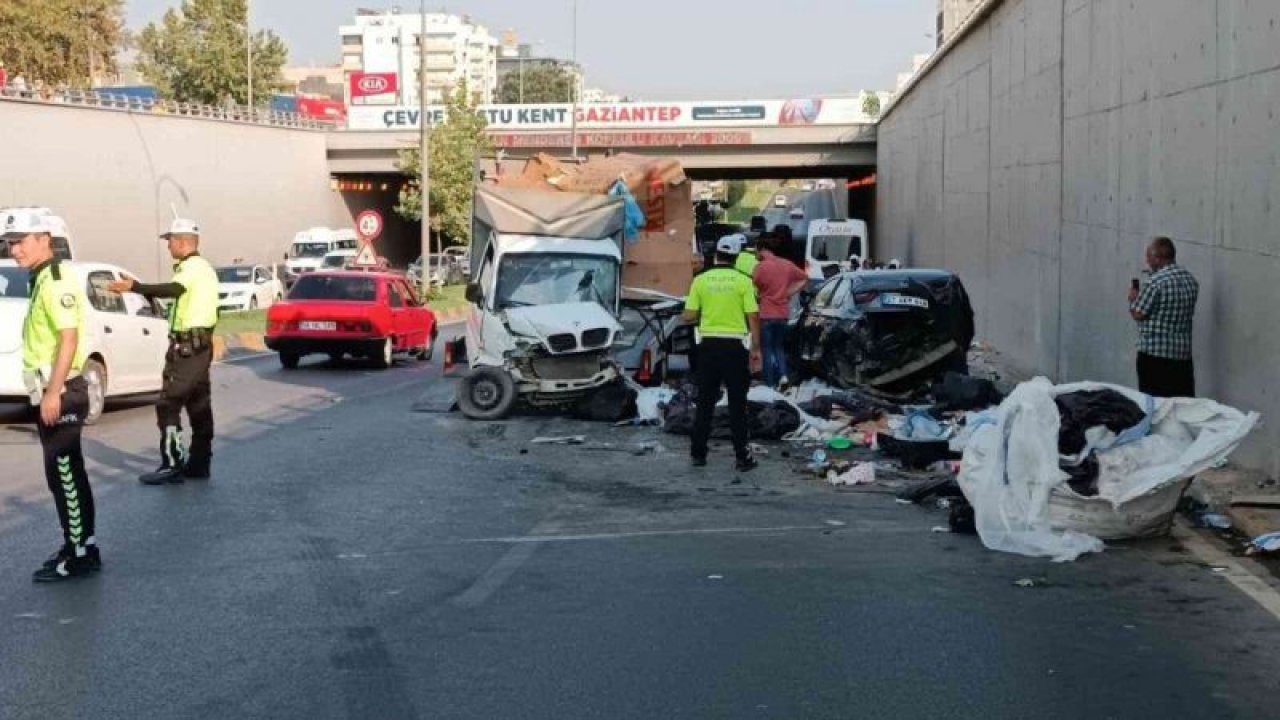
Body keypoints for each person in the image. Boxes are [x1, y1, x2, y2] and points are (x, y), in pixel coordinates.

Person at [3, 210, 101, 582]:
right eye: (11, 243)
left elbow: (68, 339)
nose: (14, 250)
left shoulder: (56, 279)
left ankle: (80, 554)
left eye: (22, 241)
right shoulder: (41, 277)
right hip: (49, 389)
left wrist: (53, 392)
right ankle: (79, 543)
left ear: (44, 239)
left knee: (65, 473)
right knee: (63, 473)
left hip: (61, 390)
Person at [109, 218, 220, 484]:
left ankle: (171, 464)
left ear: (182, 242)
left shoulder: (191, 268)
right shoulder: (205, 269)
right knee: (199, 405)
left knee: (168, 404)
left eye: (170, 240)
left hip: (187, 349)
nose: (168, 245)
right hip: (200, 346)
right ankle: (199, 463)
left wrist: (135, 287)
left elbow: (173, 289)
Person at [682, 233, 762, 472]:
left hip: (707, 347)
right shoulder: (743, 281)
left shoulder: (701, 281)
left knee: (705, 402)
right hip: (735, 347)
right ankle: (742, 457)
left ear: (715, 254)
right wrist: (756, 349)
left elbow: (690, 315)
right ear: (736, 257)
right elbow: (753, 316)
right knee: (738, 404)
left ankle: (698, 454)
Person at [1127, 236, 1198, 397]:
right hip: (1182, 355)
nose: (1147, 261)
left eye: (1149, 257)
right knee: (1182, 404)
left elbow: (1139, 313)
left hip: (1154, 356)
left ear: (1158, 258)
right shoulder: (1190, 280)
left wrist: (1133, 299)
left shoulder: (1155, 282)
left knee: (1154, 405)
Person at [752, 232, 808, 388]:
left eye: (756, 251)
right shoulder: (787, 264)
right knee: (779, 347)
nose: (755, 254)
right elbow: (804, 278)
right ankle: (783, 376)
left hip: (766, 313)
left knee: (767, 349)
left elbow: (755, 287)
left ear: (761, 249)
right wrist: (788, 292)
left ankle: (770, 384)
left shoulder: (760, 267)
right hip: (783, 313)